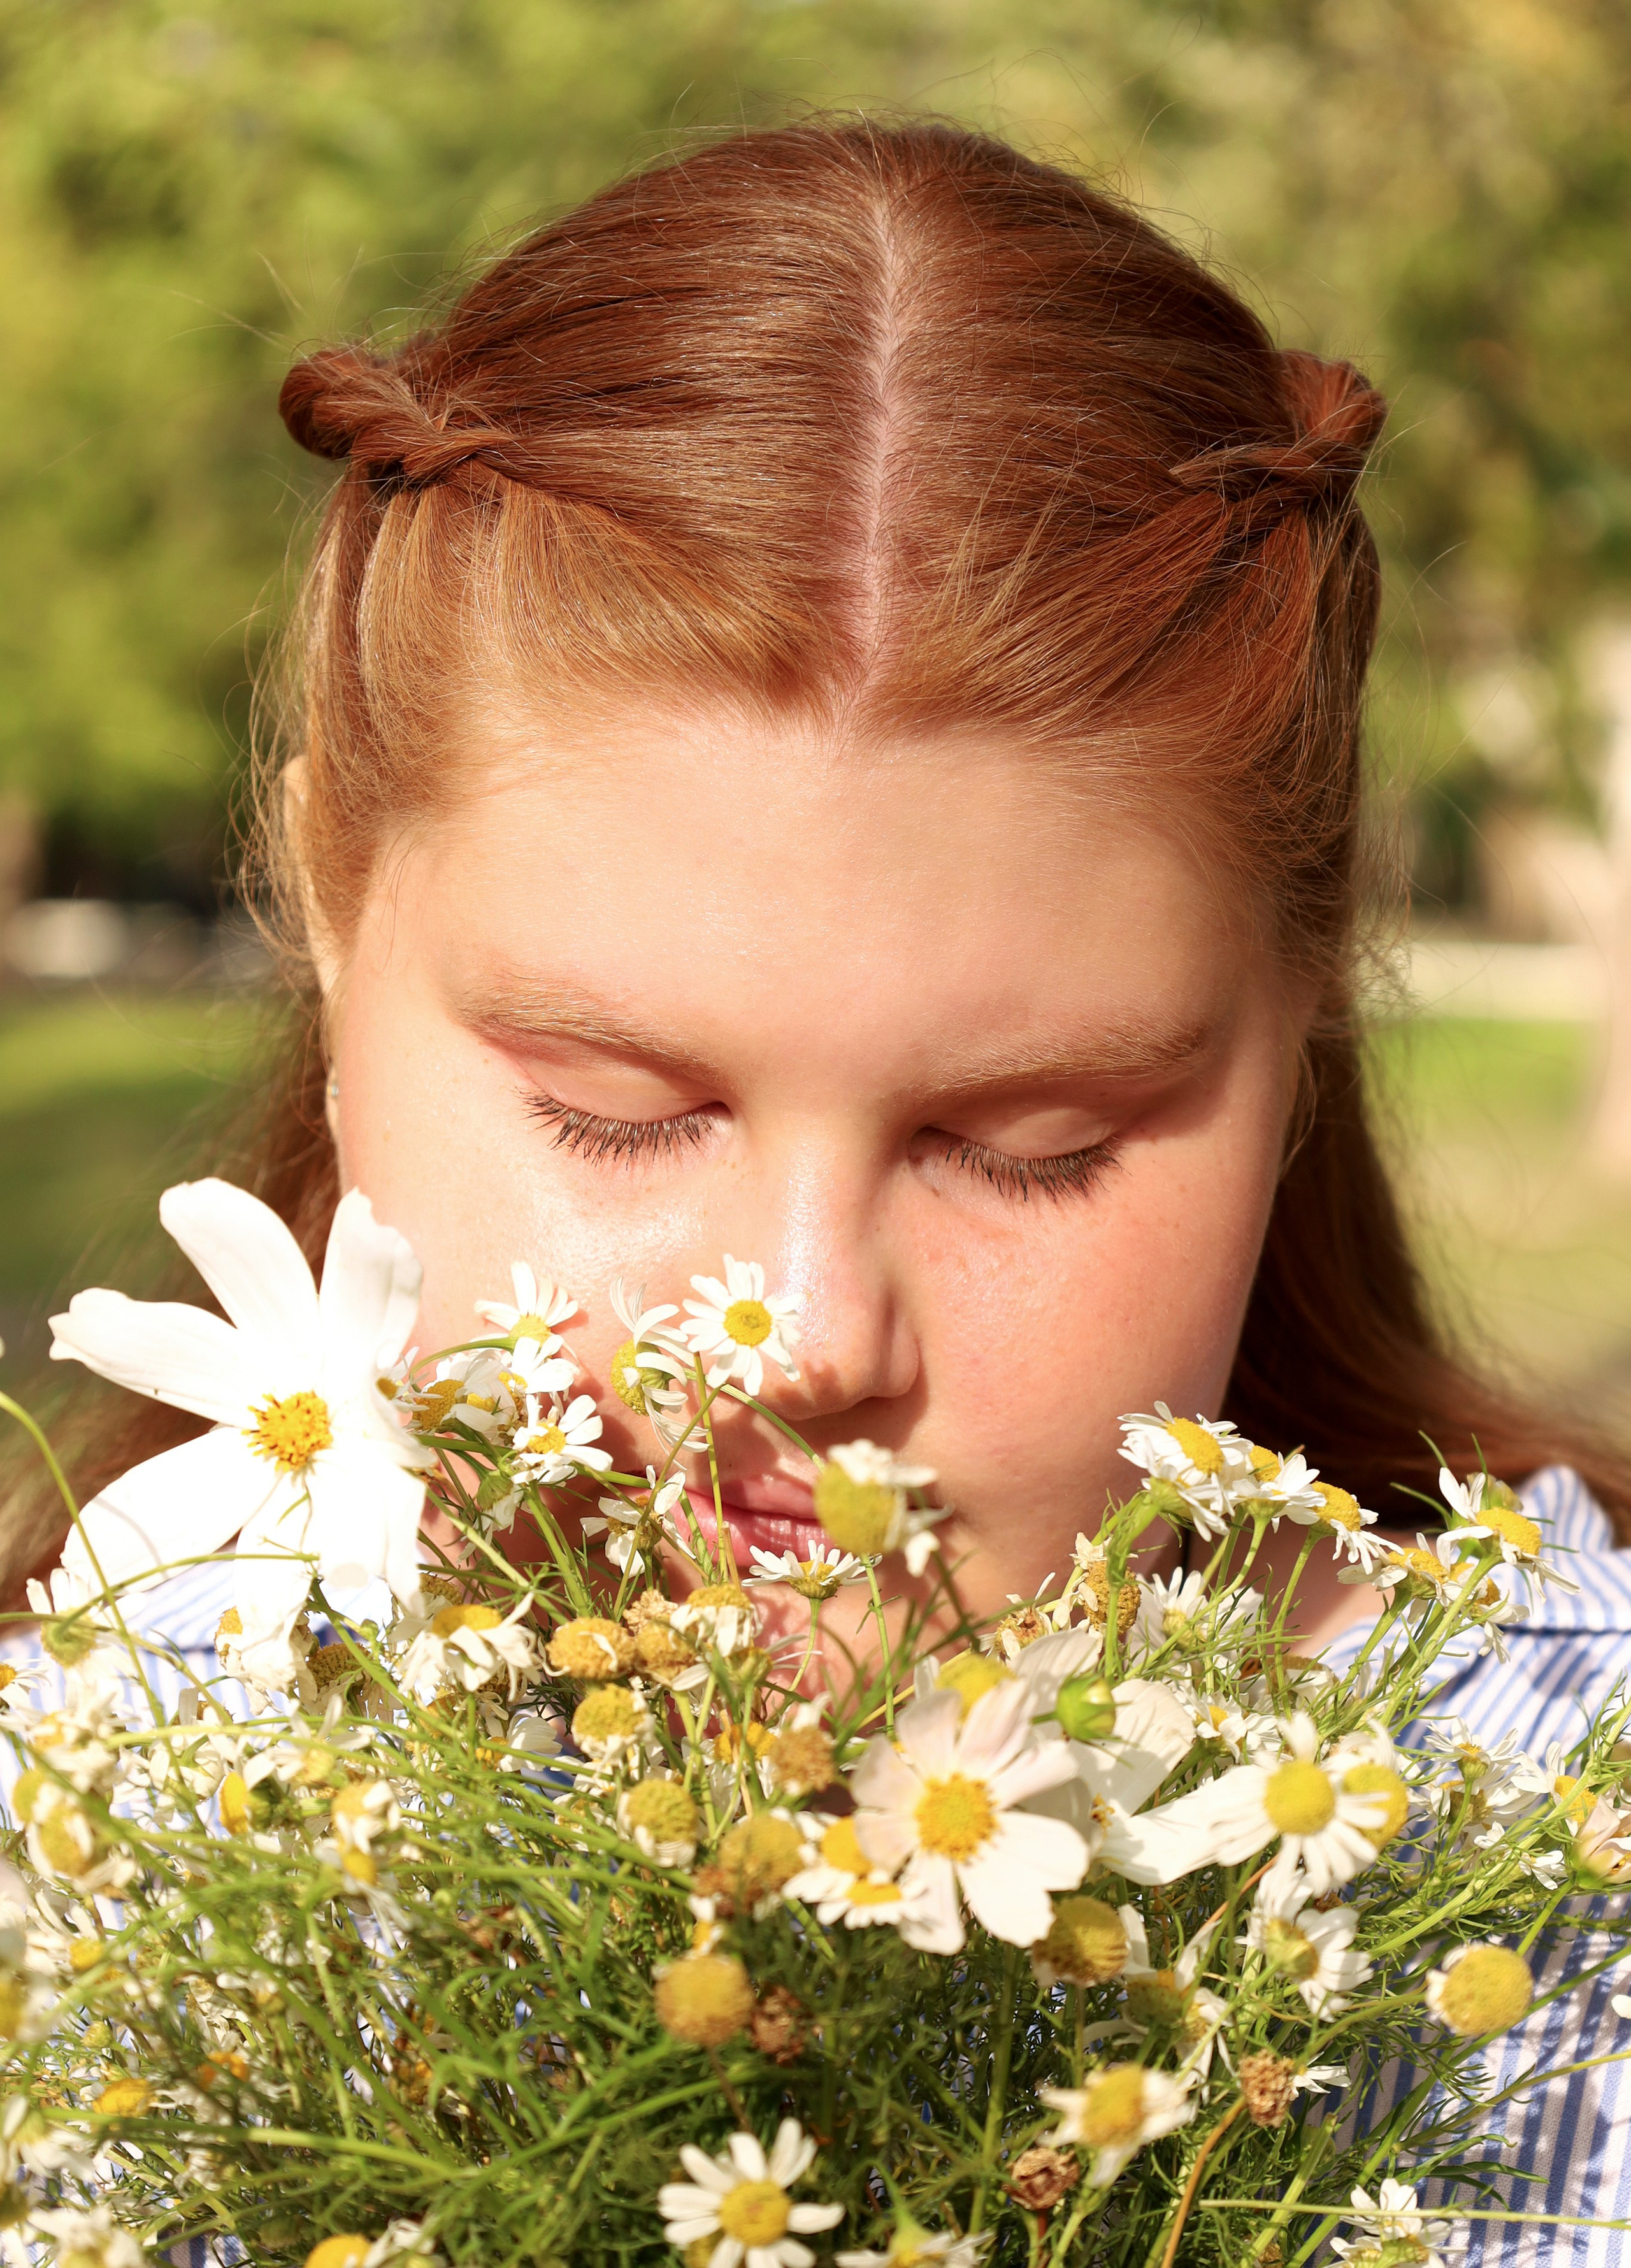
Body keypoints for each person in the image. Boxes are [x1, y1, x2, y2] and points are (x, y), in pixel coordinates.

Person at [3, 121, 1628, 2259]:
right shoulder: (100, 1806)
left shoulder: (1543, 1860)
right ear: (323, 893)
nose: (812, 1334)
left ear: (1304, 1001)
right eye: (615, 1111)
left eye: (1024, 1147)